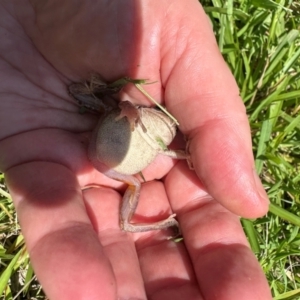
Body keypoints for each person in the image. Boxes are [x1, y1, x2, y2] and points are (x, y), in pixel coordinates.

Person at [0, 1, 272, 299]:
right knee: (127, 201)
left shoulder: (134, 120)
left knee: (131, 189)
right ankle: (138, 217)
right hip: (121, 149)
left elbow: (126, 108)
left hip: (137, 140)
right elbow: (92, 97)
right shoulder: (111, 123)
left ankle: (141, 214)